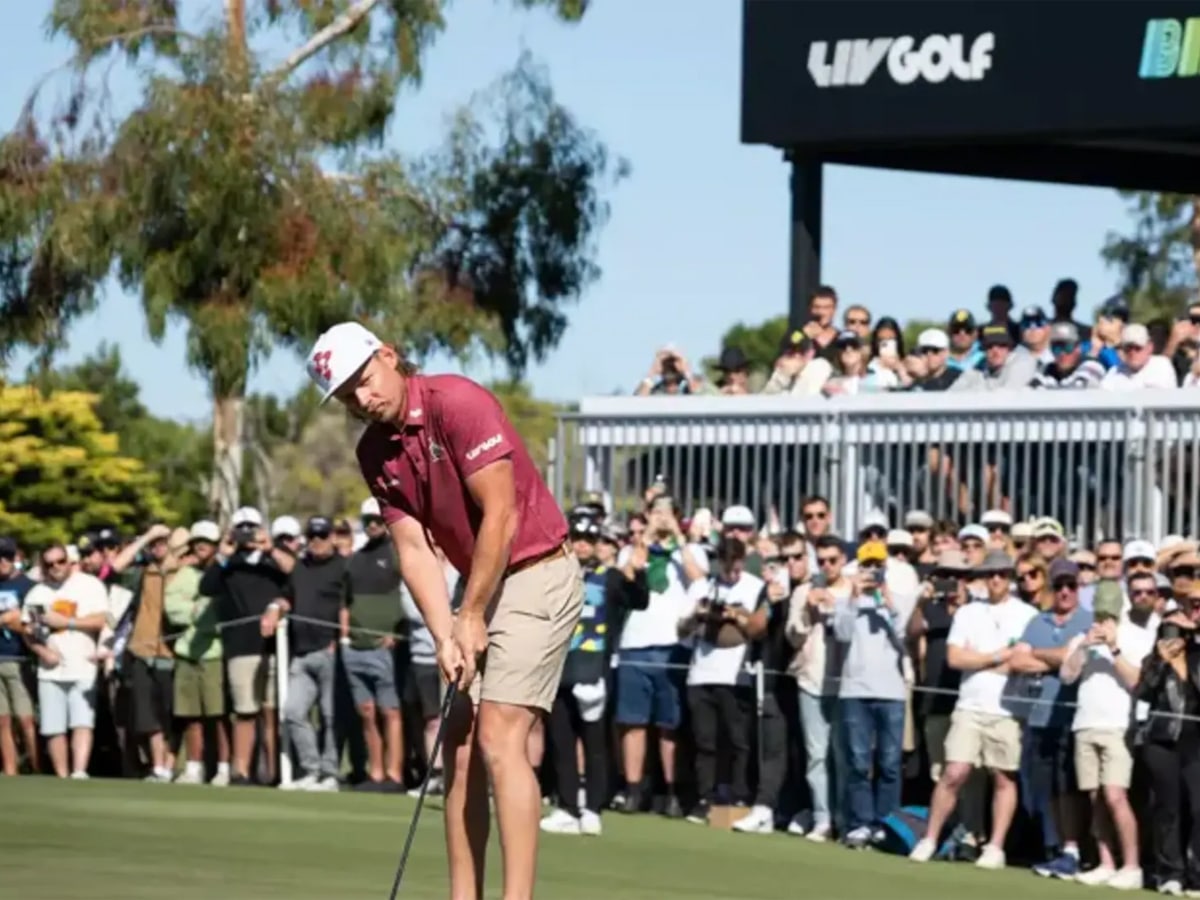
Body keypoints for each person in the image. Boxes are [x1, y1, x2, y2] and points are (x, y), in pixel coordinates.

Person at [306, 321, 584, 900]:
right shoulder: (374, 452)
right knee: (456, 741)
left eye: (364, 380)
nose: (362, 398)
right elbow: (414, 550)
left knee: (499, 734)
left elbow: (501, 515)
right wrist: (444, 631)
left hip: (537, 571)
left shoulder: (456, 401)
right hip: (480, 586)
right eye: (347, 396)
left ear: (388, 354)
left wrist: (472, 613)